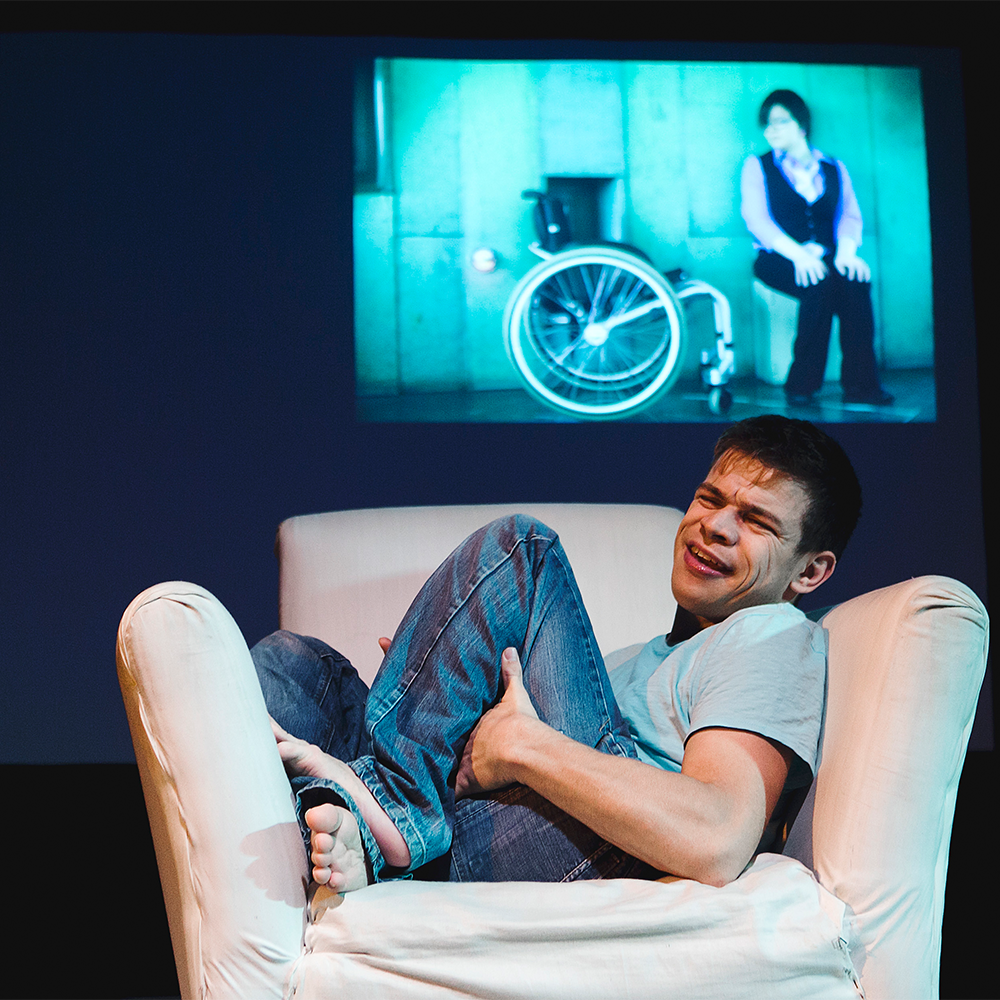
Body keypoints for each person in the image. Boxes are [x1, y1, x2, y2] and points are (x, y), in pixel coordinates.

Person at [252, 414, 861, 893]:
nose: (716, 526)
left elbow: (720, 836)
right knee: (298, 666)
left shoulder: (771, 633)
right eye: (709, 499)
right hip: (488, 818)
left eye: (756, 520)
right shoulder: (633, 660)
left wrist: (522, 745)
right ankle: (335, 829)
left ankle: (389, 808)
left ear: (810, 571)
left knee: (523, 551)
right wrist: (438, 688)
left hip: (606, 847)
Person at [741, 89, 893, 407]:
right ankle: (801, 384)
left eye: (780, 122)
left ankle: (862, 385)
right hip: (776, 258)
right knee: (818, 283)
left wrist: (847, 253)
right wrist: (798, 255)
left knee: (855, 281)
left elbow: (849, 215)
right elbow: (758, 220)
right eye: (767, 124)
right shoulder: (757, 166)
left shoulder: (834, 167)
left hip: (827, 255)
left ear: (802, 125)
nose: (771, 130)